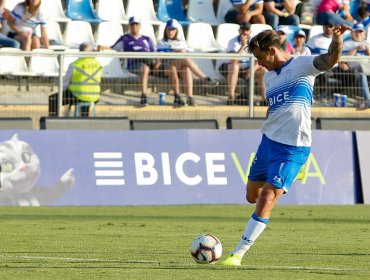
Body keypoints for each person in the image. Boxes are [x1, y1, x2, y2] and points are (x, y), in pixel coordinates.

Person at [221, 24, 351, 266]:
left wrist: (337, 39)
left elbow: (331, 59)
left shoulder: (302, 65)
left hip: (293, 147)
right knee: (252, 195)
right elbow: (274, 107)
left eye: (260, 58)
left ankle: (237, 253)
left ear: (272, 50)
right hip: (268, 142)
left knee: (267, 197)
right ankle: (286, 178)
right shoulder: (270, 77)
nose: (259, 64)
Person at [156, 19, 218, 106]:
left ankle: (189, 98)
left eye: (173, 30)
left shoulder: (181, 42)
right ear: (165, 30)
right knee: (178, 61)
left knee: (186, 69)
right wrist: (175, 52)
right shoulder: (161, 43)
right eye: (169, 29)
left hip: (178, 67)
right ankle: (204, 79)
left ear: (176, 31)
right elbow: (160, 59)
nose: (170, 32)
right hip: (166, 67)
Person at [98, 16, 157, 106]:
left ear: (140, 26)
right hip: (133, 66)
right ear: (129, 26)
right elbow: (113, 48)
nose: (134, 27)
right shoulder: (125, 39)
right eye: (132, 25)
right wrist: (103, 47)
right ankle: (143, 96)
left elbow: (154, 53)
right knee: (145, 69)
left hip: (149, 64)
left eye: (136, 24)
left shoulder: (147, 39)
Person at [48, 42, 102, 117]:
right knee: (84, 97)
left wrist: (61, 92)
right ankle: (84, 118)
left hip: (77, 95)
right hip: (95, 96)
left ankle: (53, 120)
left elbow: (65, 84)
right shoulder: (98, 64)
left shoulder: (75, 64)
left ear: (80, 51)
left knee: (53, 99)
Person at [219, 22, 266, 105]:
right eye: (243, 30)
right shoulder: (232, 42)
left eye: (247, 30)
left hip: (247, 69)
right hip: (228, 67)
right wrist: (243, 45)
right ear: (239, 30)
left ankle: (264, 99)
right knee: (234, 66)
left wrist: (252, 70)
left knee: (262, 69)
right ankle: (231, 97)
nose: (245, 32)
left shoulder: (255, 42)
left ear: (250, 31)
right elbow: (233, 60)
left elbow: (260, 58)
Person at [340, 23, 370, 106]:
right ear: (352, 33)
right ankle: (368, 100)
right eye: (356, 32)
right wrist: (356, 49)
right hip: (354, 68)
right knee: (361, 71)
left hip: (367, 67)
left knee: (362, 69)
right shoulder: (347, 43)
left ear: (364, 34)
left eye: (361, 32)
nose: (358, 34)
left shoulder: (367, 43)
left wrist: (368, 50)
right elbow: (343, 58)